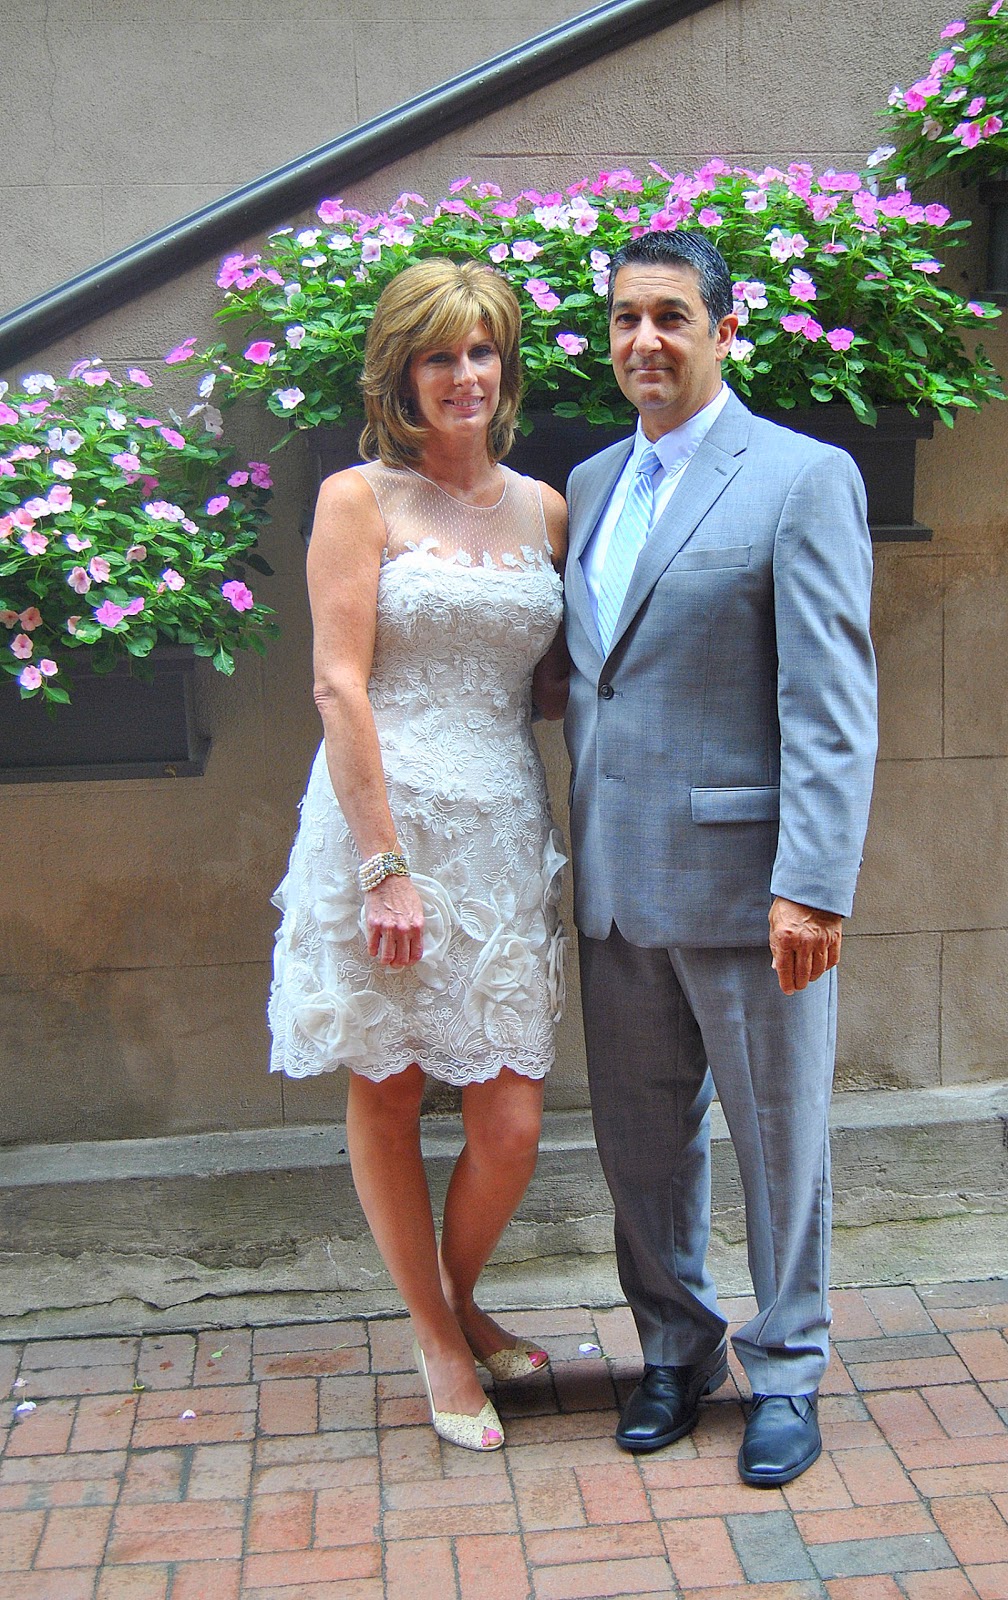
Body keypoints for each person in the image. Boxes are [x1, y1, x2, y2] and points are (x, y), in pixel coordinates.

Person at [562, 231, 877, 1486]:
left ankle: (787, 1367)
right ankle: (674, 1349)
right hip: (616, 887)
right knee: (641, 1145)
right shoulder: (591, 481)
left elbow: (830, 703)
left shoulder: (801, 477)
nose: (645, 339)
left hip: (752, 892)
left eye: (671, 317)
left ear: (724, 331)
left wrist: (813, 882)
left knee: (778, 1140)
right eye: (625, 318)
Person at [268, 258, 569, 1454]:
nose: (464, 375)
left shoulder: (545, 509)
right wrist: (382, 866)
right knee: (389, 1087)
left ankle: (456, 1296)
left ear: (505, 368)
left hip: (500, 835)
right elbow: (337, 685)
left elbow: (554, 679)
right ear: (401, 373)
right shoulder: (359, 499)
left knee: (511, 1119)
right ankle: (440, 1335)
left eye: (482, 351)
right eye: (439, 355)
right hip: (381, 829)